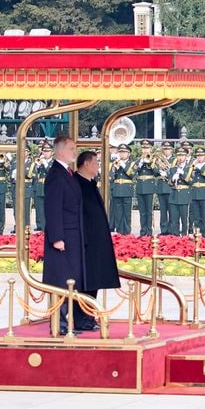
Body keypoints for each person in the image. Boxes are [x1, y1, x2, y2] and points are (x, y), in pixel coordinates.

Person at [43, 136, 89, 335]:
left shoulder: (67, 173)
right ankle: (59, 325)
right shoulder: (56, 174)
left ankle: (67, 322)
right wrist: (57, 238)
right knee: (61, 280)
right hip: (63, 237)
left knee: (71, 279)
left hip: (73, 236)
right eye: (71, 148)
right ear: (60, 151)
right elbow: (53, 208)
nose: (74, 152)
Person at [72, 150, 120, 332]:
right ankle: (81, 319)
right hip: (85, 241)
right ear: (86, 164)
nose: (98, 166)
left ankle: (89, 317)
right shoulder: (76, 183)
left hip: (95, 242)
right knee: (83, 283)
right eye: (96, 163)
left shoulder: (90, 183)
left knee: (93, 282)